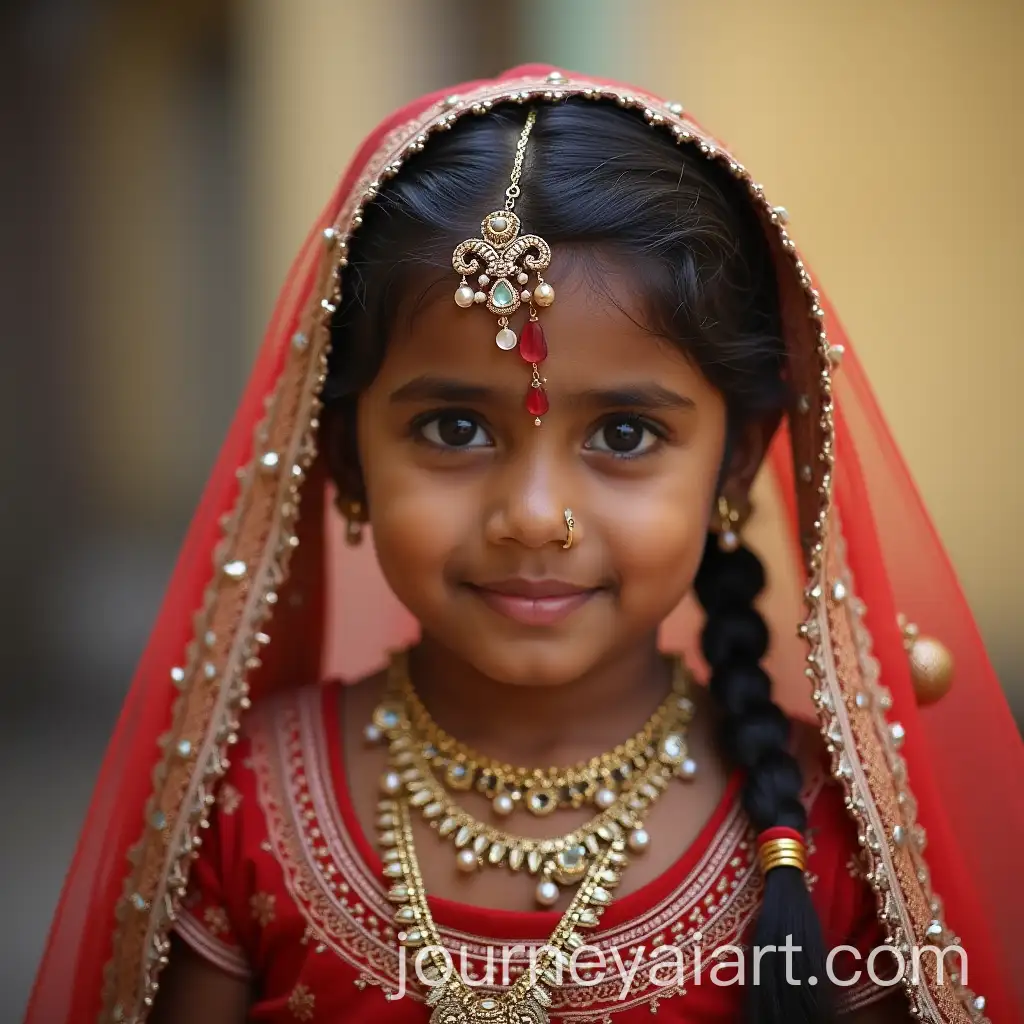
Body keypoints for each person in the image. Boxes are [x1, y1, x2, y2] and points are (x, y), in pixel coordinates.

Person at [26, 65, 1023, 1024]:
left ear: (732, 464)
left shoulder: (816, 834)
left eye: (624, 434)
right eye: (454, 428)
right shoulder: (244, 800)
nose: (536, 514)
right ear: (343, 458)